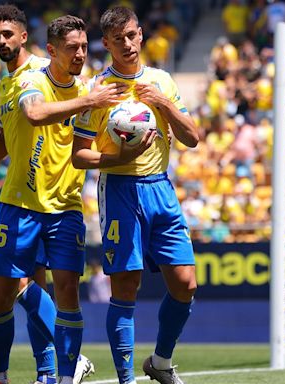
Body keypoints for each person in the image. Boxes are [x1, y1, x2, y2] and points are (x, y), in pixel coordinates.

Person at [0, 6, 120, 384]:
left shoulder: (41, 72)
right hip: (20, 202)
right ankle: (18, 373)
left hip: (62, 204)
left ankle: (56, 370)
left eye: (8, 34)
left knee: (60, 288)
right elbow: (5, 143)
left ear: (24, 37)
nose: (2, 41)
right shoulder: (8, 84)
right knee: (6, 294)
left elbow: (42, 111)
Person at [72, 6, 199, 384]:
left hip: (160, 187)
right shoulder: (98, 90)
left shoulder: (162, 80)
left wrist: (162, 103)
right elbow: (79, 155)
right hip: (120, 188)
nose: (127, 44)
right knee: (125, 286)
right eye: (118, 39)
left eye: (132, 35)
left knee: (185, 283)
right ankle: (126, 379)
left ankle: (160, 362)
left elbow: (192, 137)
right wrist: (116, 155)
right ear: (106, 43)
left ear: (141, 34)